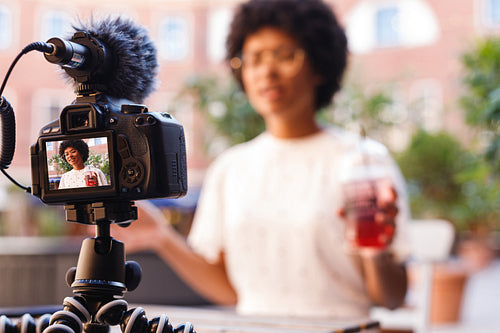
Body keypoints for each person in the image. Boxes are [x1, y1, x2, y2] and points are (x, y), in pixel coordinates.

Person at [112, 0, 410, 319]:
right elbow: (231, 290)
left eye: (285, 55)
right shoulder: (231, 168)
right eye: (253, 58)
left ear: (320, 65)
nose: (266, 71)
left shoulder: (362, 162)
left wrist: (377, 252)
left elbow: (391, 298)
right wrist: (162, 238)